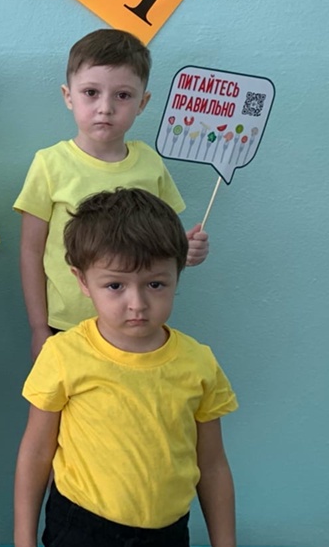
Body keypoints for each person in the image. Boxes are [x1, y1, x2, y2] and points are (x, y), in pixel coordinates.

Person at [12, 188, 241, 547]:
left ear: (177, 274)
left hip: (166, 541)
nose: (137, 303)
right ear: (82, 281)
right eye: (115, 285)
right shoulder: (63, 355)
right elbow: (35, 454)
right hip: (81, 537)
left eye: (155, 284)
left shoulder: (198, 364)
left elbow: (213, 466)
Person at [15, 29, 209, 361]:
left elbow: (167, 244)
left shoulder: (150, 164)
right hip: (68, 324)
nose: (105, 108)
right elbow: (31, 251)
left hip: (137, 321)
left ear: (142, 102)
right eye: (91, 93)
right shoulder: (49, 164)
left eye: (122, 95)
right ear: (68, 96)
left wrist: (187, 250)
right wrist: (38, 327)